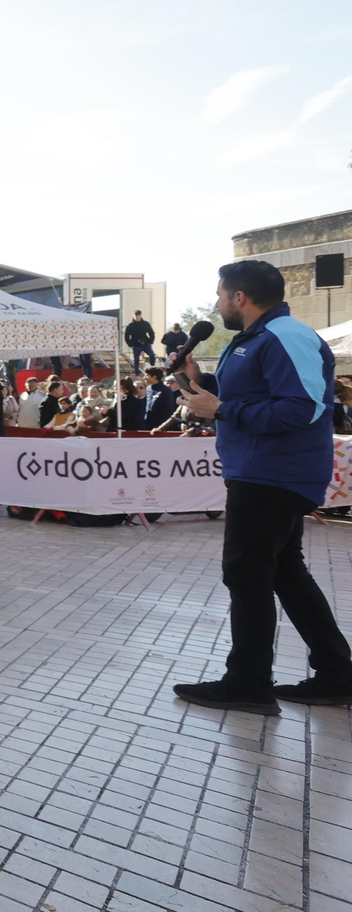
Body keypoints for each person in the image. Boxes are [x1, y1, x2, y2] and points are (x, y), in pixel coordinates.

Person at [169, 260, 352, 713]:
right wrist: (196, 381)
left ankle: (248, 684)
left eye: (219, 294)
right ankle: (337, 673)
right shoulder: (252, 341)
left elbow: (305, 407)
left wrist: (223, 411)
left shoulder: (285, 336)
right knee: (285, 573)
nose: (216, 303)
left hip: (272, 474)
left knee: (247, 574)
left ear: (240, 298)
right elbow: (247, 397)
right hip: (265, 472)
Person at [125, 310, 156, 374]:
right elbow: (126, 336)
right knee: (136, 359)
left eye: (138, 315)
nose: (137, 317)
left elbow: (151, 333)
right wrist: (130, 344)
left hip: (146, 343)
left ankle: (153, 368)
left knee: (152, 355)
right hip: (136, 344)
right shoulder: (130, 326)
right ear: (133, 316)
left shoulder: (145, 324)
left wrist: (151, 341)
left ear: (141, 316)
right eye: (136, 316)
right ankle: (137, 373)